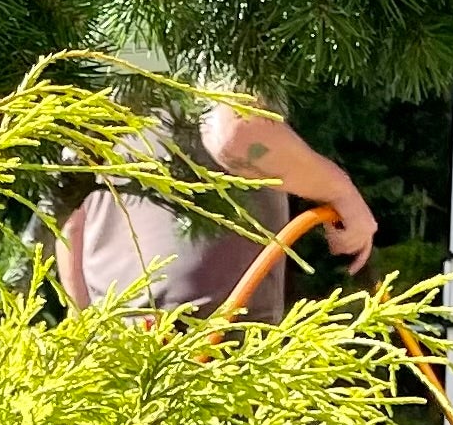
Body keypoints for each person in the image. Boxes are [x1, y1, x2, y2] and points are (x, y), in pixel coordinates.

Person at [59, 95, 377, 318]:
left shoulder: (99, 39)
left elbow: (70, 210)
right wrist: (340, 191)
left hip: (111, 328)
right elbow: (238, 134)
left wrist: (87, 325)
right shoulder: (220, 16)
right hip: (210, 333)